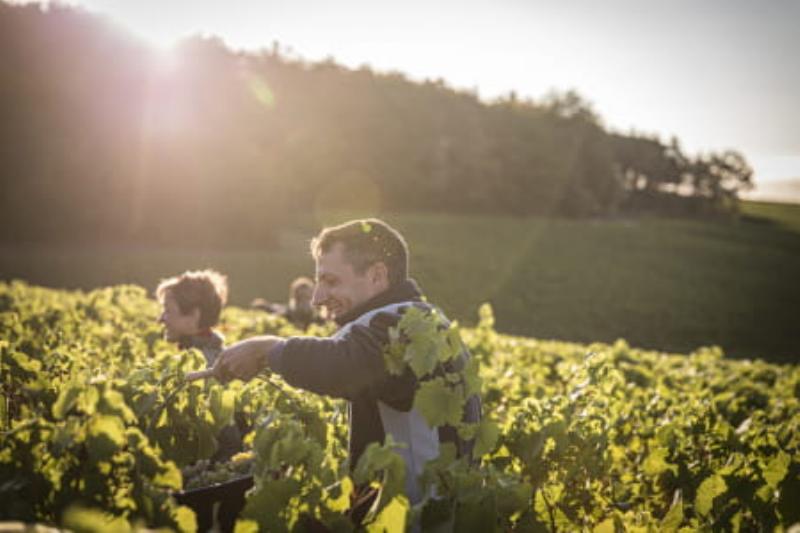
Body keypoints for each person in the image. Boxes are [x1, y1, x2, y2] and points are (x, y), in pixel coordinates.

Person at [213, 219, 481, 506]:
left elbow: (347, 367)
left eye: (331, 281)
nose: (317, 298)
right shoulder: (425, 319)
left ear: (378, 275)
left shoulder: (398, 324)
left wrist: (268, 349)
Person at [155, 269, 242, 463]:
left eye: (168, 310)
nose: (160, 319)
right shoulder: (213, 355)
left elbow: (228, 441)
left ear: (194, 315)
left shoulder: (207, 368)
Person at [250, 276, 325, 329]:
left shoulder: (319, 319)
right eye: (300, 298)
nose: (303, 302)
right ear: (294, 298)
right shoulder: (285, 316)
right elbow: (269, 307)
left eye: (306, 298)